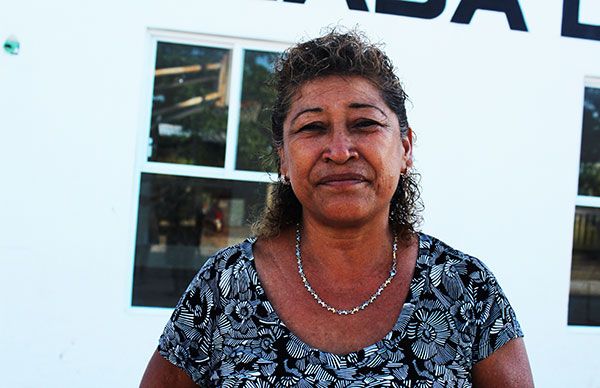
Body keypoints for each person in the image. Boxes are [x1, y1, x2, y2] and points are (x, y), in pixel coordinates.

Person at [141, 30, 534, 387]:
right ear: (283, 159)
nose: (340, 151)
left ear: (405, 148)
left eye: (364, 123)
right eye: (312, 128)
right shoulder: (223, 288)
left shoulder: (466, 289)